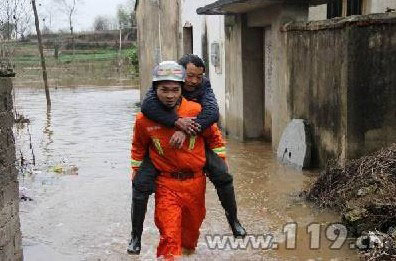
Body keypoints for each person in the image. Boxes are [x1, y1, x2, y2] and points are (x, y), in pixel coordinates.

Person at [127, 55, 246, 254]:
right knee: (143, 192)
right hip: (165, 178)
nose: (170, 95)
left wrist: (220, 160)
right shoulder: (146, 115)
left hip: (194, 177)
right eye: (164, 90)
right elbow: (138, 146)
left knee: (191, 237)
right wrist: (135, 170)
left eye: (175, 89)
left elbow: (213, 122)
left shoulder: (198, 104)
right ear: (155, 89)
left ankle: (233, 221)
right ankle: (135, 237)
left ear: (181, 88)